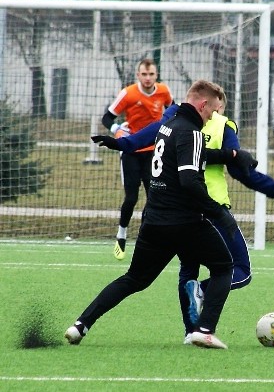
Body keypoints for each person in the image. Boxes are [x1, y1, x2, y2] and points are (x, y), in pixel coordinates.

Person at [92, 97, 274, 343]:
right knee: (239, 270)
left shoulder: (171, 121)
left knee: (188, 271)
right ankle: (202, 306)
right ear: (214, 106)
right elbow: (241, 170)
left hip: (174, 211)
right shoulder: (223, 125)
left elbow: (143, 137)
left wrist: (119, 144)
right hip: (211, 207)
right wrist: (272, 187)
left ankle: (192, 331)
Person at [66, 80, 237, 349]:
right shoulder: (191, 132)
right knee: (224, 267)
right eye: (213, 111)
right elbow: (189, 181)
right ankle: (203, 330)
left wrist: (121, 144)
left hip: (154, 221)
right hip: (186, 223)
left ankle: (80, 325)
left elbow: (147, 143)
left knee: (134, 279)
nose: (213, 116)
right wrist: (219, 213)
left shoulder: (167, 126)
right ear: (203, 105)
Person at [102, 58, 173, 260]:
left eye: (151, 74)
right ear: (138, 75)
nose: (148, 78)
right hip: (132, 152)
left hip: (154, 152)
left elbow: (173, 111)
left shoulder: (164, 92)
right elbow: (106, 118)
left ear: (156, 75)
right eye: (144, 74)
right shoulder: (128, 93)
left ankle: (145, 238)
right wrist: (117, 130)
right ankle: (121, 234)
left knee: (154, 198)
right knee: (131, 198)